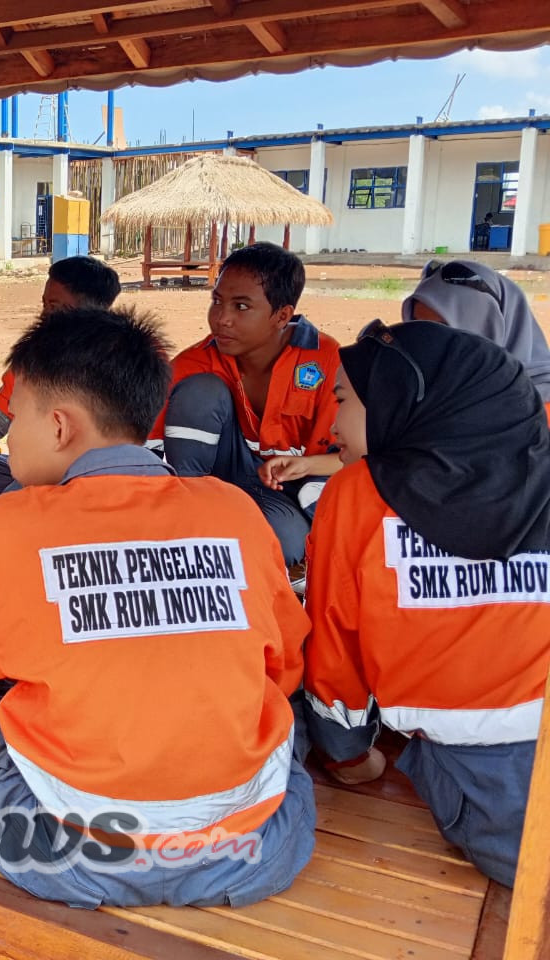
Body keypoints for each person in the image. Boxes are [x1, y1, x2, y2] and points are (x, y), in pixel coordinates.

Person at [0, 307, 315, 909]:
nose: (8, 437)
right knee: (272, 713)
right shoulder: (232, 511)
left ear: (61, 427)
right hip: (252, 847)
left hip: (71, 857)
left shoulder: (10, 525)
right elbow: (285, 667)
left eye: (16, 420)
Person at [304, 320, 550, 888]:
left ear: (398, 401)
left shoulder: (358, 495)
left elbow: (334, 664)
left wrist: (349, 761)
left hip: (494, 793)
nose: (333, 425)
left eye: (342, 400)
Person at [152, 242, 340, 565]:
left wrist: (307, 466)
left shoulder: (326, 361)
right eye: (217, 301)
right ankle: (186, 514)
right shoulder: (197, 361)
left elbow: (353, 458)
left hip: (287, 493)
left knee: (275, 544)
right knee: (200, 392)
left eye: (241, 307)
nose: (221, 318)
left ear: (282, 316)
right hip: (208, 484)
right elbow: (145, 442)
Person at [0, 255, 122, 520]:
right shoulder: (32, 360)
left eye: (54, 307)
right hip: (34, 479)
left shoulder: (123, 367)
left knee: (11, 511)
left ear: (93, 313)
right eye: (44, 304)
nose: (44, 316)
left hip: (96, 489)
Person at [404, 258, 550, 411]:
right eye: (417, 325)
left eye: (442, 328)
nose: (423, 340)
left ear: (488, 327)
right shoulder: (420, 383)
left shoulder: (536, 409)